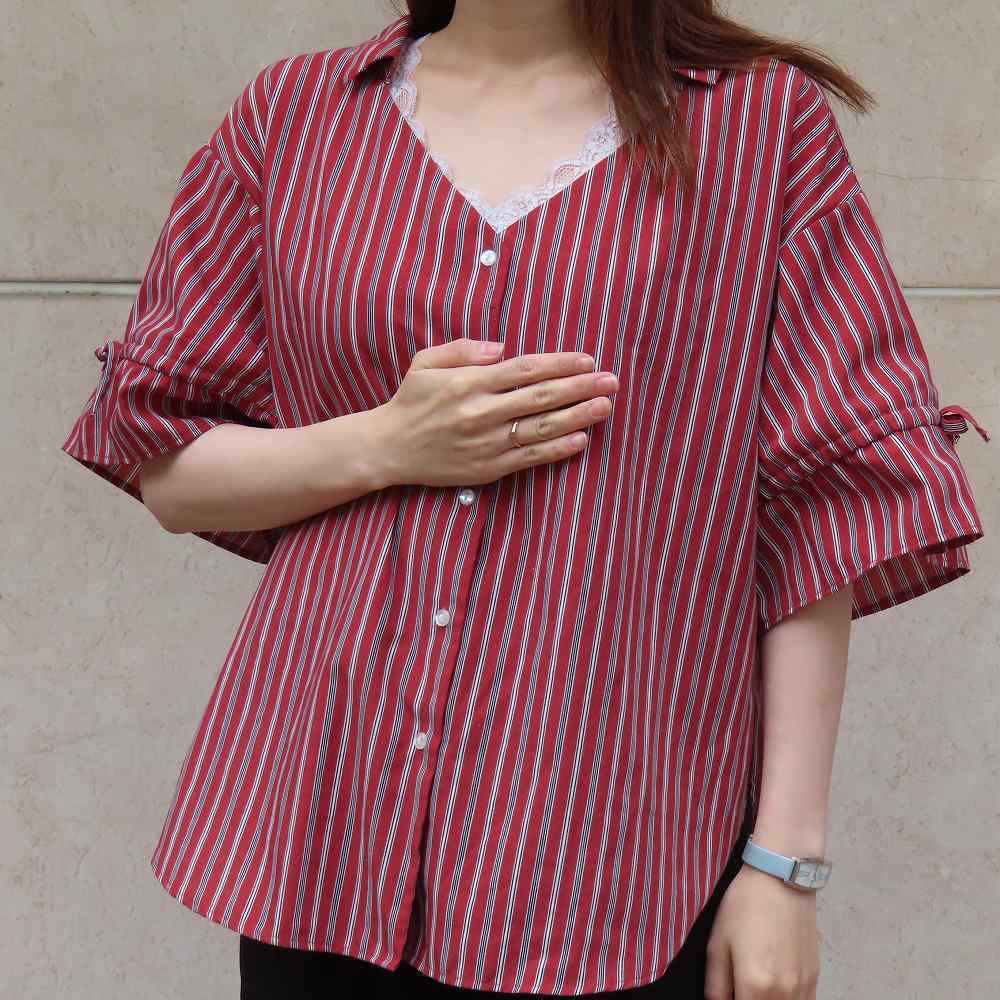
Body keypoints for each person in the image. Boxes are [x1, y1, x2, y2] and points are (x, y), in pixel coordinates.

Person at [60, 2, 990, 998]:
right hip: (328, 832)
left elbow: (821, 499)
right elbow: (168, 468)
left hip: (615, 858)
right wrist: (386, 443)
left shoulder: (760, 126)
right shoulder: (293, 117)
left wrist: (783, 863)